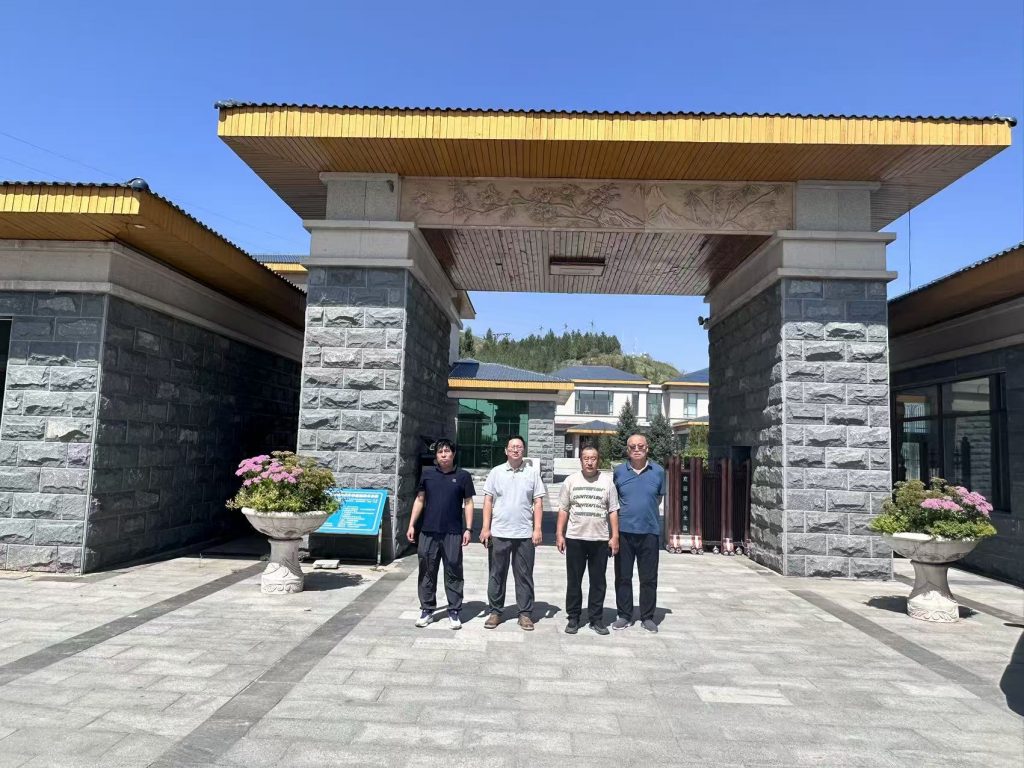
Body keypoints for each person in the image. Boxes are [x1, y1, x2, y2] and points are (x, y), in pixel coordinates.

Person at [406, 439, 475, 630]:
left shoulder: (463, 476)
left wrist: (468, 529)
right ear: (436, 456)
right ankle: (427, 609)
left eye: (447, 451)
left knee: (453, 570)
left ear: (453, 454)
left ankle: (454, 610)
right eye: (440, 452)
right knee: (427, 570)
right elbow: (420, 500)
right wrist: (411, 525)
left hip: (453, 532)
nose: (443, 454)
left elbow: (468, 502)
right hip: (428, 531)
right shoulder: (428, 475)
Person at [480, 434, 546, 631]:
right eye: (512, 447)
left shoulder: (532, 473)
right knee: (496, 574)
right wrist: (485, 528)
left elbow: (538, 502)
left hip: (524, 533)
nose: (515, 450)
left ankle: (525, 614)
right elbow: (488, 501)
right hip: (499, 532)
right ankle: (495, 612)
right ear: (506, 451)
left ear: (523, 450)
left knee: (524, 575)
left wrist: (537, 528)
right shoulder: (496, 472)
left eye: (519, 447)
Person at [556, 444, 620, 636]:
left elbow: (613, 510)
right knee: (574, 581)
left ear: (598, 460)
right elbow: (563, 509)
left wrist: (615, 536)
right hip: (575, 538)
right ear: (581, 460)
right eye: (586, 458)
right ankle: (573, 617)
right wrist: (559, 534)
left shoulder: (607, 482)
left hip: (599, 539)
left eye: (593, 458)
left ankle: (596, 619)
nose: (589, 462)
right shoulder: (570, 481)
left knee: (598, 581)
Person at [611, 433, 665, 633]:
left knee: (649, 578)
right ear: (627, 450)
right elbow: (613, 502)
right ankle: (624, 615)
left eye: (640, 446)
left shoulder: (658, 472)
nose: (636, 449)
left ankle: (647, 617)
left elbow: (657, 498)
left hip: (649, 532)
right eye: (632, 446)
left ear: (647, 448)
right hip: (624, 532)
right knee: (623, 576)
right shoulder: (619, 472)